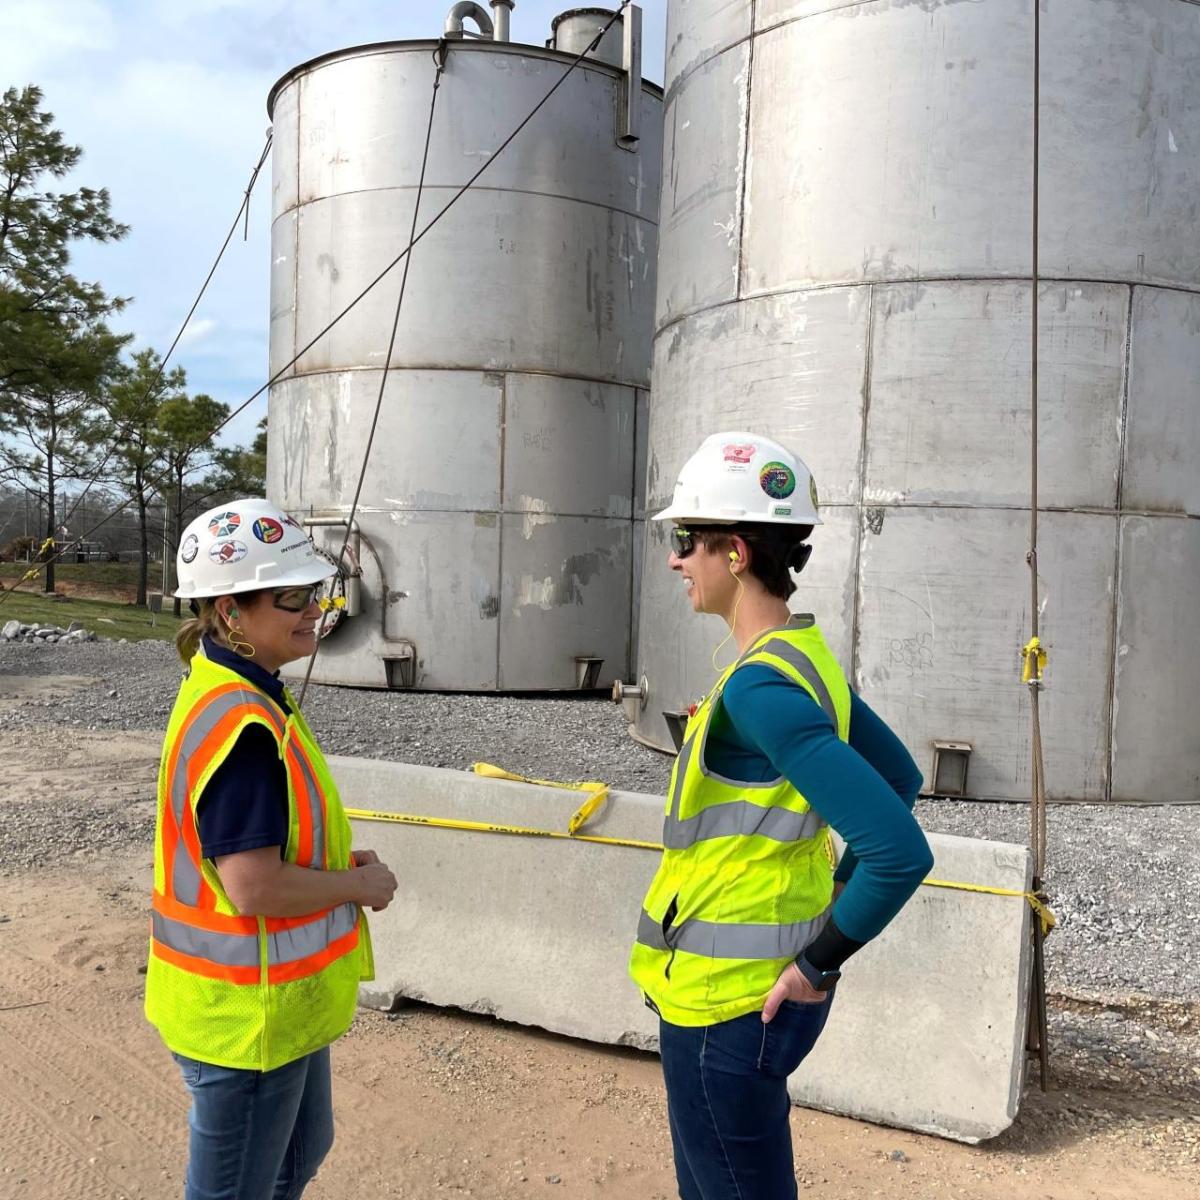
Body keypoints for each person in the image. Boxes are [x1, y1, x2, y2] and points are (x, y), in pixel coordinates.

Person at [629, 433, 934, 1200]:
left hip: (727, 1004)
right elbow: (899, 777)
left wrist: (819, 958)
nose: (675, 560)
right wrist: (819, 935)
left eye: (685, 541)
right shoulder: (800, 657)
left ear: (734, 551)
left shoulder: (759, 688)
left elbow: (898, 848)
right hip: (761, 994)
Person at [144, 498, 399, 1200]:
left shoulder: (239, 691)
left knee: (296, 1156)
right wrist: (356, 889)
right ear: (230, 611)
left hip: (273, 1007)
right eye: (292, 596)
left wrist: (335, 866)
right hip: (244, 1018)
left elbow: (257, 849)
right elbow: (252, 887)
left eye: (315, 591)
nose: (314, 608)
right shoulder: (243, 724)